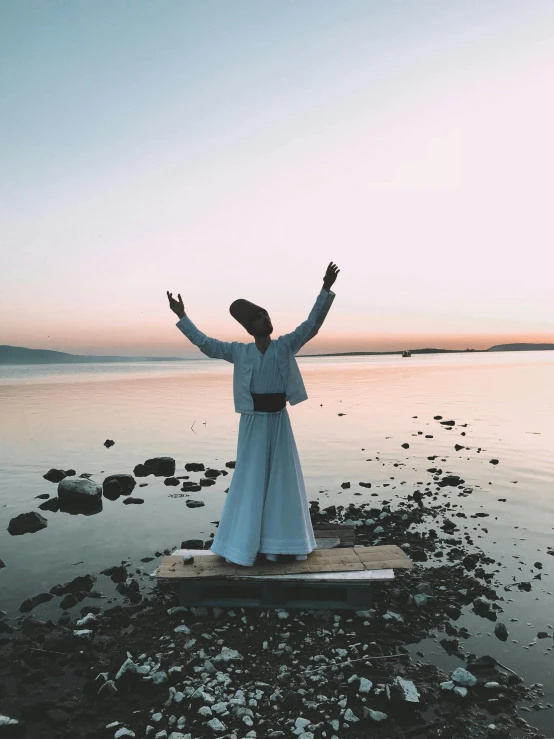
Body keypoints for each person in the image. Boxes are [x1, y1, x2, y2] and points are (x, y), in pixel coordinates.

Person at [167, 262, 339, 566]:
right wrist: (182, 316)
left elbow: (312, 324)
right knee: (250, 479)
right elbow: (206, 345)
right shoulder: (240, 352)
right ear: (250, 328)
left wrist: (325, 289)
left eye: (267, 314)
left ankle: (283, 545)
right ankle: (242, 545)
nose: (265, 319)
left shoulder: (285, 345)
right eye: (259, 317)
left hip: (279, 421)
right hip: (252, 422)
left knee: (282, 479)